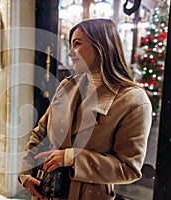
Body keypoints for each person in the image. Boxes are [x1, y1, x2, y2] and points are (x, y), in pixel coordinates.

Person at [18, 18, 152, 200]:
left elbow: (128, 168)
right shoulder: (67, 86)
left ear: (101, 45)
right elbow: (39, 133)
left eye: (77, 44)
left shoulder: (132, 100)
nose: (71, 52)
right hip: (46, 192)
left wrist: (72, 158)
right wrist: (25, 173)